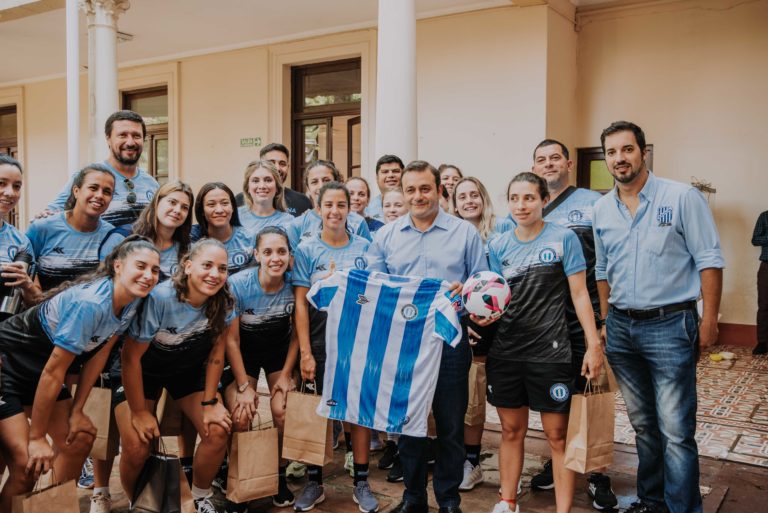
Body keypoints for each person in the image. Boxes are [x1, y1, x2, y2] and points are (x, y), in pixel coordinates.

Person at [593, 121, 724, 513]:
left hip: (670, 325)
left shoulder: (682, 198)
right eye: (612, 152)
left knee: (676, 430)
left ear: (643, 152)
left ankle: (682, 507)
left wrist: (710, 321)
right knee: (644, 426)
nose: (620, 158)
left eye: (627, 149)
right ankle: (652, 501)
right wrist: (603, 321)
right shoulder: (601, 208)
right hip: (620, 327)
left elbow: (710, 260)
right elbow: (602, 270)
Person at [0, 236, 160, 513]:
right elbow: (54, 371)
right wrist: (37, 437)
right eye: (141, 266)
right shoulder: (90, 303)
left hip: (39, 372)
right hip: (7, 365)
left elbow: (98, 355)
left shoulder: (131, 301)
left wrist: (77, 410)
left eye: (155, 270)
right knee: (26, 465)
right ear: (118, 266)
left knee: (81, 438)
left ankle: (49, 508)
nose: (148, 276)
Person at [366, 160, 487, 513]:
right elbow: (375, 290)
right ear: (402, 193)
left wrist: (465, 290)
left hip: (449, 341)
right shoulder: (385, 236)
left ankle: (448, 499)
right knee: (408, 426)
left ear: (439, 190)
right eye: (410, 190)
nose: (418, 196)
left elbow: (482, 285)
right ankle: (414, 496)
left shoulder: (464, 233)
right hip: (402, 346)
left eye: (425, 188)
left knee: (450, 425)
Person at [480, 172, 603, 513]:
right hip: (506, 353)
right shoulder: (498, 246)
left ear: (544, 201)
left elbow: (580, 295)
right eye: (515, 198)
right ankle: (507, 501)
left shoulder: (564, 239)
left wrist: (594, 344)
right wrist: (480, 316)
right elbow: (493, 299)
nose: (522, 205)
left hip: (550, 354)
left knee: (557, 437)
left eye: (529, 198)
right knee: (510, 431)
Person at [89, 180, 194, 513]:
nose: (176, 210)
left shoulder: (186, 251)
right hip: (121, 350)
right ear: (156, 202)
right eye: (171, 202)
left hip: (168, 351)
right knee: (116, 433)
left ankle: (149, 503)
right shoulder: (129, 241)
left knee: (150, 436)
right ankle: (101, 489)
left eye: (184, 206)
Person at [529, 139, 617, 510]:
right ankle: (559, 460)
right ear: (534, 167)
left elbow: (607, 261)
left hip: (585, 318)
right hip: (544, 325)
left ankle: (596, 473)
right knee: (556, 397)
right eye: (541, 160)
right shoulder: (529, 205)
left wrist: (603, 321)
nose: (548, 164)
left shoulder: (593, 204)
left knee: (590, 394)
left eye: (554, 158)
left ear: (568, 163)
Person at [116, 238, 234, 513]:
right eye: (207, 265)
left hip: (186, 369)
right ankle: (141, 503)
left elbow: (217, 354)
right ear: (188, 265)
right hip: (143, 370)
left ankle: (199, 498)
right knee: (137, 444)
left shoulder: (224, 300)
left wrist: (209, 403)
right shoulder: (161, 297)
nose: (215, 274)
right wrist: (139, 412)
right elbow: (130, 358)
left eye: (222, 268)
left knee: (217, 430)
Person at [292, 182, 378, 513]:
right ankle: (315, 482)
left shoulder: (364, 248)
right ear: (318, 208)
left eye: (341, 205)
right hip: (318, 341)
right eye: (328, 204)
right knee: (318, 412)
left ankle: (361, 481)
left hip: (357, 341)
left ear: (350, 209)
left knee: (357, 412)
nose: (335, 211)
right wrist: (305, 352)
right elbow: (300, 304)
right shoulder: (307, 250)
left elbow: (372, 295)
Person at [223, 227, 299, 511]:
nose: (275, 258)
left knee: (283, 411)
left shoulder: (294, 284)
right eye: (267, 252)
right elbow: (231, 339)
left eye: (281, 251)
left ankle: (278, 475)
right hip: (244, 353)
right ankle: (239, 481)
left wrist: (288, 374)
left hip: (280, 353)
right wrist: (244, 386)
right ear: (256, 254)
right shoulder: (238, 284)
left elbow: (296, 335)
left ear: (290, 255)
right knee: (242, 414)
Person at [451, 176, 512, 493]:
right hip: (469, 324)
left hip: (503, 324)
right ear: (455, 203)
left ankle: (511, 464)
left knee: (506, 399)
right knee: (471, 397)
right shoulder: (452, 234)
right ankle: (471, 462)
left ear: (483, 197)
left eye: (474, 194)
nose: (469, 200)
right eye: (462, 196)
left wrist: (494, 314)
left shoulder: (502, 229)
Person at [42, 111, 159, 228]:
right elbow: (51, 215)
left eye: (136, 136)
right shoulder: (88, 176)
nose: (130, 142)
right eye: (122, 135)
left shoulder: (152, 184)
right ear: (108, 139)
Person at [27, 164, 116, 292]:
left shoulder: (111, 235)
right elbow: (25, 271)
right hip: (41, 308)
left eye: (107, 192)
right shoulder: (42, 228)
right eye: (93, 188)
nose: (100, 195)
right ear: (76, 191)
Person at [287, 160, 371, 248]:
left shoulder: (358, 222)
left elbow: (369, 257)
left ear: (336, 183)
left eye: (326, 180)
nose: (321, 186)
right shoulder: (297, 225)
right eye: (314, 182)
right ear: (308, 188)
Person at [0, 155, 39, 306]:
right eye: (1, 183)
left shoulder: (20, 242)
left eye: (16, 186)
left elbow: (34, 303)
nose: (10, 193)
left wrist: (27, 284)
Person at [192, 182, 255, 274]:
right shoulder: (191, 238)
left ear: (233, 207)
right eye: (211, 204)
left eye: (225, 203)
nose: (219, 210)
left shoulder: (249, 239)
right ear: (202, 211)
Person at [235, 144, 313, 217]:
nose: (277, 168)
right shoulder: (239, 201)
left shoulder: (302, 201)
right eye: (271, 163)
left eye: (282, 164)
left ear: (288, 167)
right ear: (260, 165)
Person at [238, 160, 294, 236]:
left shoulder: (289, 222)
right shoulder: (235, 217)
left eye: (268, 180)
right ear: (247, 187)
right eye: (255, 181)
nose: (262, 186)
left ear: (277, 187)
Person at [366, 154, 404, 221]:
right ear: (377, 178)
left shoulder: (414, 205)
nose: (390, 175)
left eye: (395, 171)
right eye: (385, 172)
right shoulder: (367, 210)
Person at [752, 210, 768, 355]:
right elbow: (755, 240)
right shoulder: (764, 216)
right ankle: (762, 343)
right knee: (764, 305)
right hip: (766, 266)